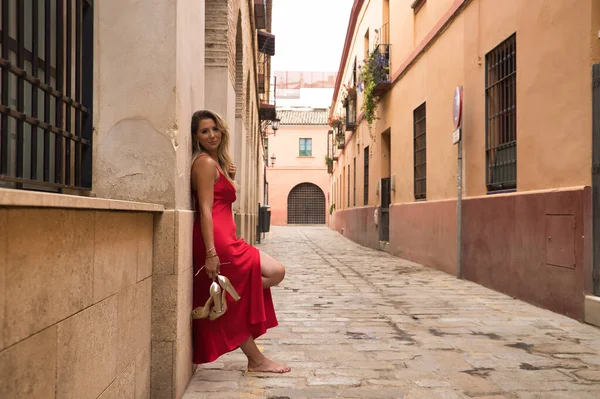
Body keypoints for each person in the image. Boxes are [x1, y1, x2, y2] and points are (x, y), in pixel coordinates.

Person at [190, 109, 291, 373]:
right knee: (271, 274)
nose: (211, 135)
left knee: (237, 294)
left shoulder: (217, 164)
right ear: (196, 137)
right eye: (204, 131)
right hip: (219, 244)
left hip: (229, 240)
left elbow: (222, 200)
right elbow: (205, 209)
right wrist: (211, 252)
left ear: (222, 130)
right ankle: (256, 360)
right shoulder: (204, 163)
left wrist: (228, 176)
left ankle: (256, 359)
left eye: (214, 129)